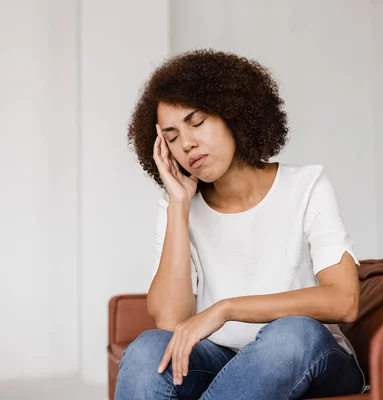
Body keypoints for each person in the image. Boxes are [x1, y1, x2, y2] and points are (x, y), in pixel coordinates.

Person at [115, 49, 367, 400]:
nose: (187, 143)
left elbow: (344, 300)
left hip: (310, 355)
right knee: (148, 351)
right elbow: (170, 322)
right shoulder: (178, 206)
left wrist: (226, 309)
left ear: (233, 114)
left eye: (197, 122)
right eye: (171, 137)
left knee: (291, 335)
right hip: (222, 360)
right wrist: (179, 205)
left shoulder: (307, 186)